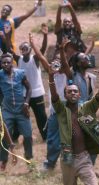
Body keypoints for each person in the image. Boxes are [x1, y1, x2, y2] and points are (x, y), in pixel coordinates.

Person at [49, 66, 99, 185]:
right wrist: (51, 77)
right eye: (69, 91)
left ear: (79, 95)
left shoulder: (87, 107)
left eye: (75, 91)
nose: (72, 93)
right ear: (65, 96)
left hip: (83, 158)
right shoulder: (61, 109)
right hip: (67, 159)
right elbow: (54, 96)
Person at [29, 33, 71, 171]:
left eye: (60, 60)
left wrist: (62, 50)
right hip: (54, 109)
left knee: (67, 137)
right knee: (52, 138)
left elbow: (64, 63)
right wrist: (33, 43)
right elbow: (40, 56)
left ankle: (68, 162)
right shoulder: (49, 70)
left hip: (66, 108)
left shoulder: (66, 72)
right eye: (55, 60)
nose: (57, 62)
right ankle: (50, 163)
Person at [8, 26, 48, 141]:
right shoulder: (19, 59)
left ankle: (46, 137)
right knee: (20, 116)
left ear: (30, 49)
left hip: (37, 93)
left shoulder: (34, 59)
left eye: (26, 48)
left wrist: (45, 35)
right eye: (22, 48)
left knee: (41, 117)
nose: (23, 50)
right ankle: (14, 138)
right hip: (24, 94)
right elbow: (9, 47)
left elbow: (43, 48)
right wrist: (5, 36)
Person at [0, 53, 32, 171]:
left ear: (12, 62)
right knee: (3, 136)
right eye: (3, 63)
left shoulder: (20, 73)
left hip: (21, 110)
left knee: (28, 135)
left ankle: (29, 158)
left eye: (8, 62)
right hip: (7, 110)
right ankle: (3, 160)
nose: (6, 64)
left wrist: (26, 103)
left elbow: (29, 88)